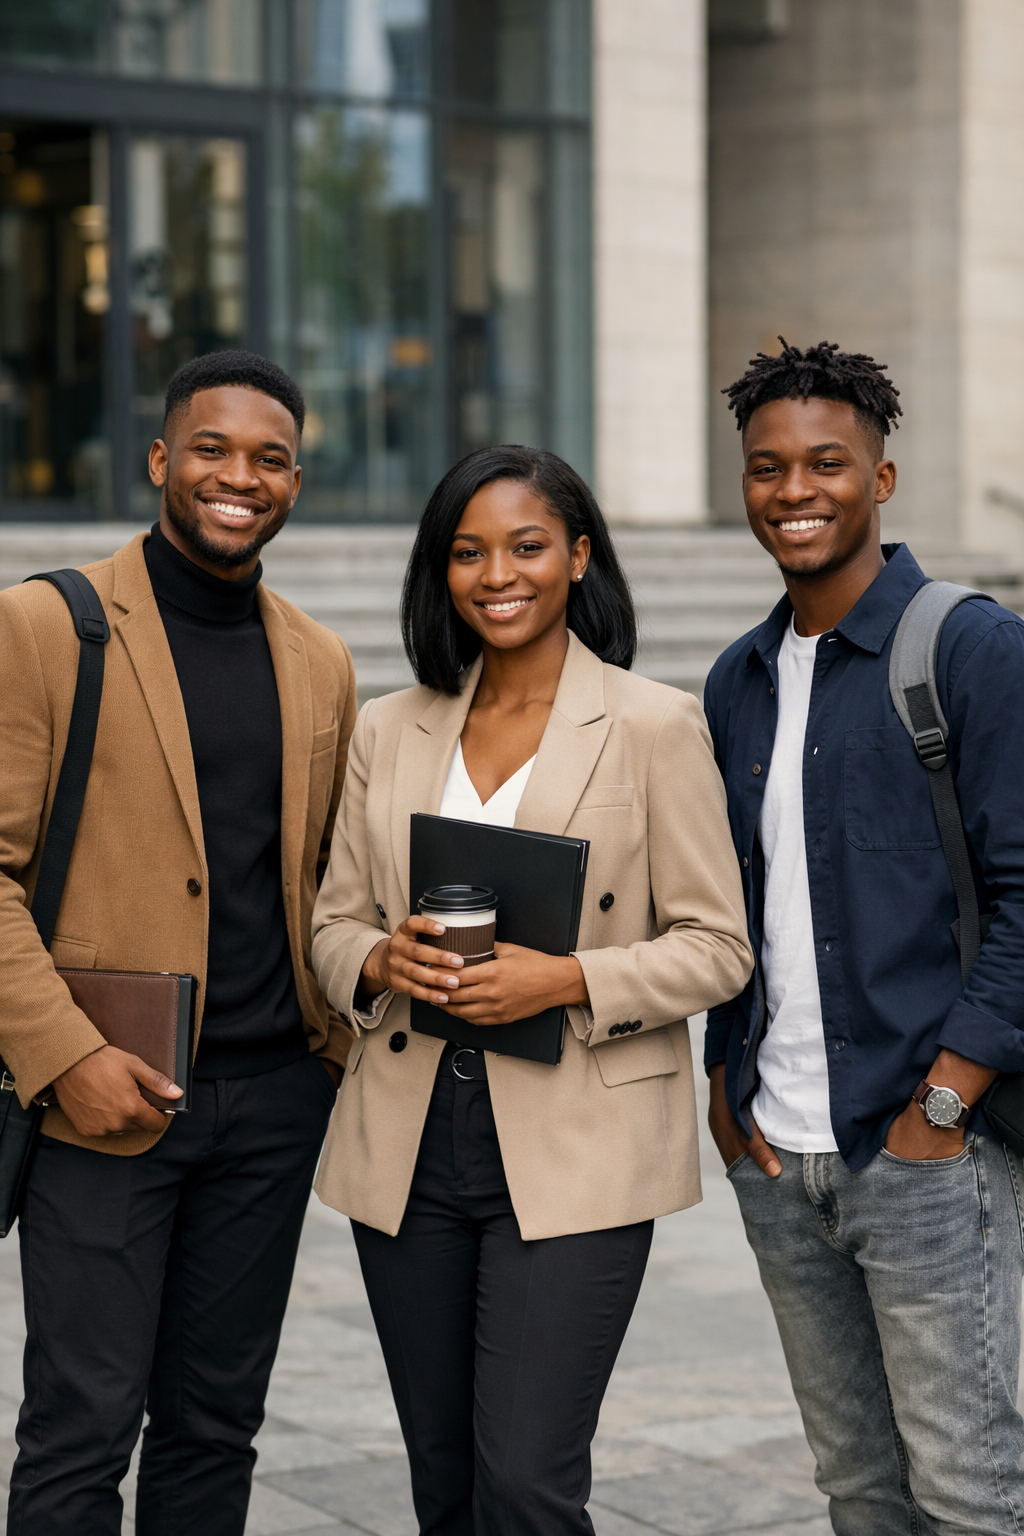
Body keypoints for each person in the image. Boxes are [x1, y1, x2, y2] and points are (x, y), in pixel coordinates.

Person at [310, 444, 753, 1535]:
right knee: (446, 1482)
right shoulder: (388, 723)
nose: (495, 573)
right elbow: (331, 921)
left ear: (578, 557)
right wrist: (376, 962)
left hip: (575, 1140)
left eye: (525, 546)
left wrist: (568, 978)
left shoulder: (652, 724)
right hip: (411, 1137)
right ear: (439, 570)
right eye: (467, 552)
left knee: (527, 1484)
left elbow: (717, 946)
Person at [0, 350, 357, 1536]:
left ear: (296, 482)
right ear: (161, 459)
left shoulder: (320, 663)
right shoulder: (49, 626)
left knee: (215, 1428)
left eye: (269, 459)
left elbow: (307, 879)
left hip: (268, 1109)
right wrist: (64, 1057)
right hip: (103, 1100)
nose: (237, 477)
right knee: (80, 1425)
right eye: (211, 448)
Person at [704, 338, 1024, 1534]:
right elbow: (739, 899)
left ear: (880, 480)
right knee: (856, 1492)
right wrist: (723, 1083)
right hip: (780, 1162)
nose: (794, 491)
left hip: (930, 1155)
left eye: (825, 463)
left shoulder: (971, 649)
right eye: (766, 468)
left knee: (969, 1494)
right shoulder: (736, 679)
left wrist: (942, 1105)